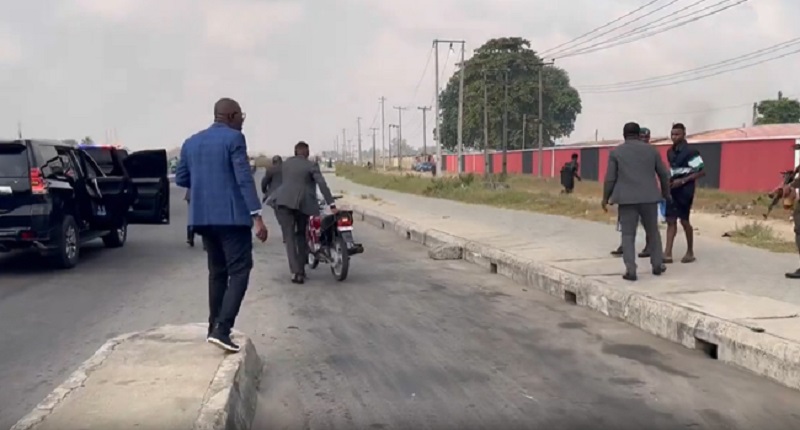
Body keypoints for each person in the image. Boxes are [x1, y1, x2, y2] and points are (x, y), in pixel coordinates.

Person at [175, 97, 268, 353]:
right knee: (240, 270)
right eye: (241, 116)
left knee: (216, 273)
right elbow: (244, 179)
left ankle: (213, 328)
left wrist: (205, 182)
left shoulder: (191, 142)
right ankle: (222, 329)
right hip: (231, 219)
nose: (242, 121)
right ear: (230, 116)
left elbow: (182, 178)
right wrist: (256, 216)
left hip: (203, 218)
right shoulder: (234, 139)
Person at [602, 122, 670, 281]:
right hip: (649, 198)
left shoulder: (617, 152)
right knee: (653, 231)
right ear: (639, 134)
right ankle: (657, 264)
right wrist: (666, 194)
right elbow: (664, 174)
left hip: (627, 200)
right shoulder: (652, 151)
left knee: (628, 234)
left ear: (624, 134)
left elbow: (610, 178)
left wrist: (606, 198)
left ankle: (631, 269)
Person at [273, 141, 336, 284]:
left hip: (283, 202)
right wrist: (331, 203)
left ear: (295, 152)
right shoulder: (311, 165)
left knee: (289, 238)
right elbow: (321, 183)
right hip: (303, 204)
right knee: (301, 235)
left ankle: (296, 272)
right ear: (307, 153)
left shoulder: (286, 164)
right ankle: (300, 270)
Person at [663, 123, 705, 264]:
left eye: (677, 134)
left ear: (684, 134)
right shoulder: (670, 152)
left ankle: (690, 251)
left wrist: (682, 181)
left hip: (685, 190)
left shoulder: (691, 152)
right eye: (672, 134)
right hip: (672, 188)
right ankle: (667, 253)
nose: (674, 137)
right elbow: (673, 170)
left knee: (684, 220)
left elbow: (701, 171)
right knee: (670, 220)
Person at [611, 127, 654, 257]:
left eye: (646, 137)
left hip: (645, 193)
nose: (644, 139)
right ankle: (625, 245)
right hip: (629, 191)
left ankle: (649, 247)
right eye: (642, 137)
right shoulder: (629, 151)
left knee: (648, 224)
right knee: (626, 222)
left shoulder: (650, 152)